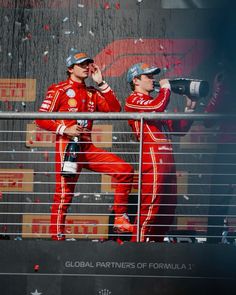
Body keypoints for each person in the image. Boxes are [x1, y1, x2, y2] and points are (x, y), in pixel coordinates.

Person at [36, 49, 134, 240]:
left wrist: (101, 83)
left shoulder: (92, 92)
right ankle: (57, 240)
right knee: (64, 195)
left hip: (87, 148)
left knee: (125, 170)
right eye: (81, 65)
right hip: (68, 149)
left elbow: (115, 109)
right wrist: (65, 129)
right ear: (70, 68)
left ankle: (120, 222)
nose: (86, 68)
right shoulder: (59, 89)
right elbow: (40, 118)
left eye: (87, 64)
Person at [124, 63, 196, 242]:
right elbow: (157, 106)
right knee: (150, 209)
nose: (153, 79)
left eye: (153, 75)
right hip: (152, 161)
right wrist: (165, 88)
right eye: (148, 76)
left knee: (167, 210)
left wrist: (190, 108)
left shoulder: (154, 104)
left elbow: (179, 129)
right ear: (136, 80)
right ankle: (136, 251)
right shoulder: (133, 100)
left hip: (168, 162)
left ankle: (155, 251)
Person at [204, 66, 236, 243]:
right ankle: (214, 242)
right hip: (228, 147)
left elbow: (208, 119)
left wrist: (218, 89)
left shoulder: (227, 84)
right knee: (219, 198)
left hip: (228, 148)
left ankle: (214, 243)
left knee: (219, 198)